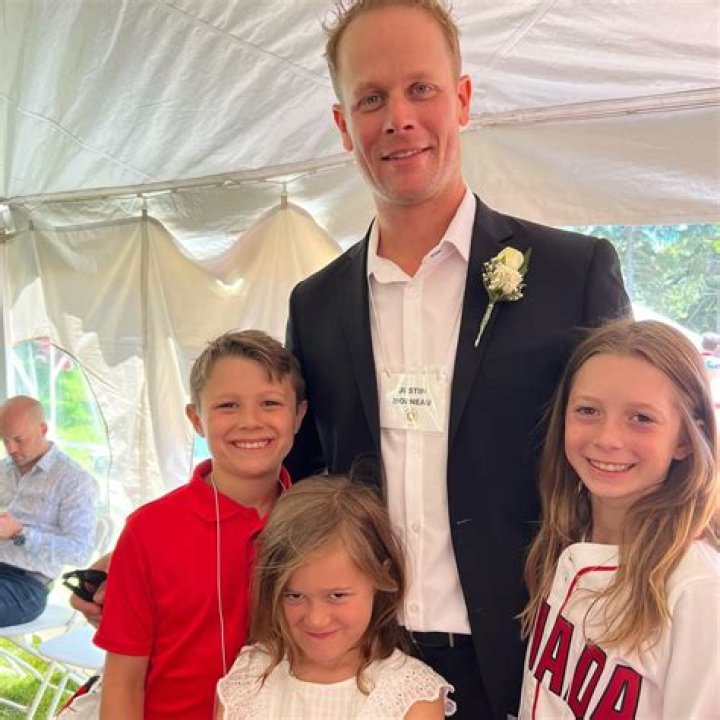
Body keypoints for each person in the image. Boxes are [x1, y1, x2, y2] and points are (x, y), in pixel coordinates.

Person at [285, 1, 630, 716]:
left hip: (535, 656)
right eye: (371, 99)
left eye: (421, 89)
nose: (398, 118)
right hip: (367, 662)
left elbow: (632, 461)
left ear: (463, 99)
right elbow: (300, 477)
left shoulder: (572, 273)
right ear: (343, 125)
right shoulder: (314, 305)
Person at [94, 330, 307, 720]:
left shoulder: (319, 524)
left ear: (299, 415)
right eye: (228, 405)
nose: (250, 421)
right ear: (196, 419)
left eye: (270, 403)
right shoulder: (148, 531)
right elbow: (123, 681)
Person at [519, 319, 719, 718]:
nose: (608, 438)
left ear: (684, 440)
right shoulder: (568, 533)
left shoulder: (699, 591)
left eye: (641, 418)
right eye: (588, 410)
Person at [216, 475, 455, 719]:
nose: (316, 619)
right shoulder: (248, 678)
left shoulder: (411, 696)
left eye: (337, 595)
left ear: (380, 577)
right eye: (295, 596)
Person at [0, 395, 97, 626]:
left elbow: (80, 552)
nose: (11, 449)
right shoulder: (3, 471)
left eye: (19, 439)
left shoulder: (73, 480)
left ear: (42, 429)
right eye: (4, 440)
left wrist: (19, 534)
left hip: (26, 583)